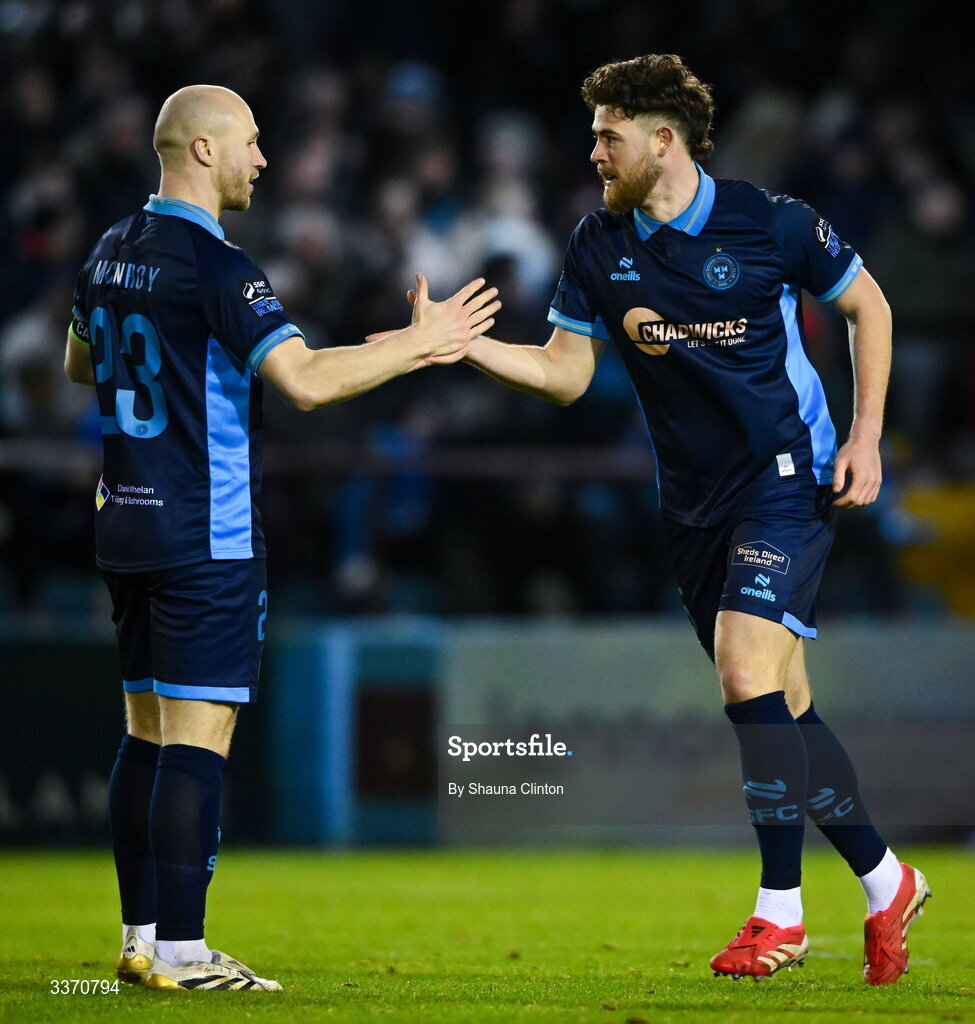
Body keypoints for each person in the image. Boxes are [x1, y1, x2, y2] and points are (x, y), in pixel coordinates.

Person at [418, 54, 928, 984]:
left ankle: (779, 915)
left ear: (664, 139)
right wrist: (462, 348)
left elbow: (868, 304)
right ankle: (886, 878)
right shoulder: (596, 244)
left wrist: (866, 438)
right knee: (785, 709)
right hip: (692, 506)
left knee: (742, 671)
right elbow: (566, 374)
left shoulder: (768, 222)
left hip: (789, 479)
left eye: (608, 134)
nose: (594, 150)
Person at [64, 84, 499, 992]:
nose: (262, 159)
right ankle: (184, 952)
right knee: (196, 739)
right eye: (252, 143)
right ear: (204, 151)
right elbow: (303, 381)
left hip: (125, 524)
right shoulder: (220, 267)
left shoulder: (109, 249)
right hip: (203, 532)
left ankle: (140, 938)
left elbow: (80, 361)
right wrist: (424, 342)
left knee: (143, 732)